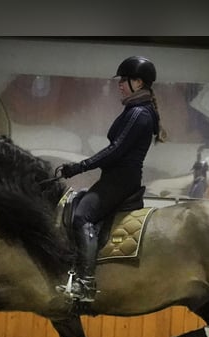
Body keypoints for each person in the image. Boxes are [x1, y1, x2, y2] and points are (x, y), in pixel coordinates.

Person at [57, 55, 166, 303]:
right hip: (116, 178)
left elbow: (116, 150)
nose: (119, 84)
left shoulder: (139, 114)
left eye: (123, 80)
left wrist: (79, 167)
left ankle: (86, 284)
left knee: (81, 216)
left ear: (138, 83)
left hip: (121, 181)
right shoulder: (135, 110)